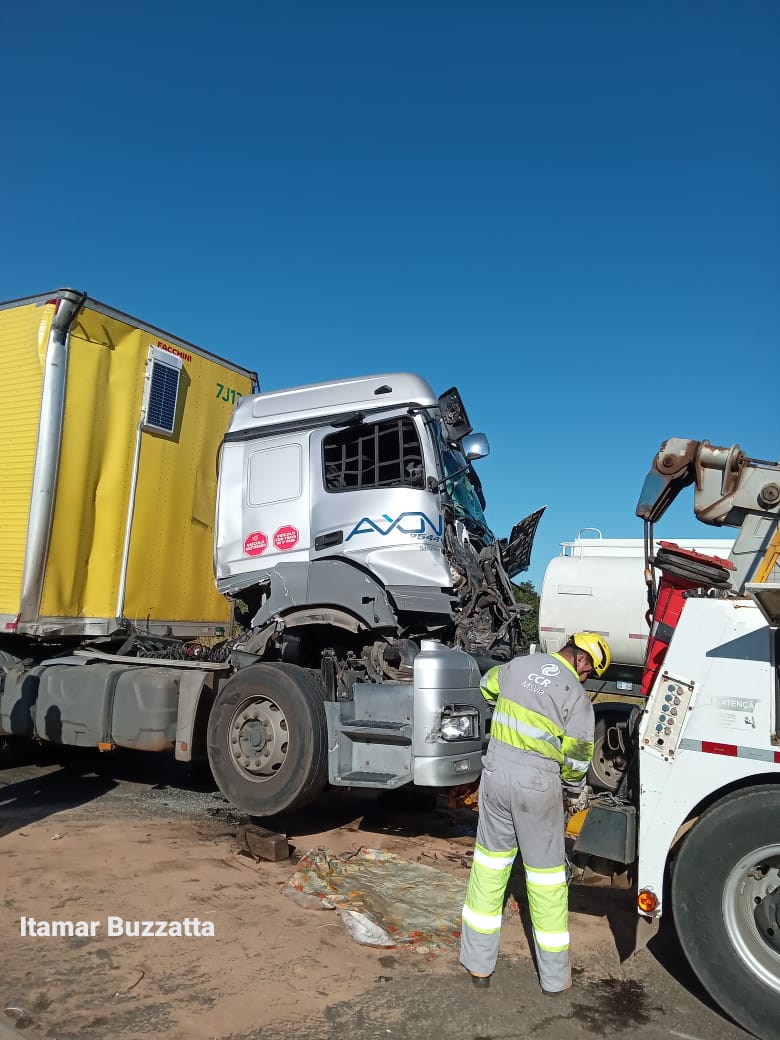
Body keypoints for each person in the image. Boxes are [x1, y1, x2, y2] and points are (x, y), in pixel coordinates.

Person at [459, 631, 611, 995]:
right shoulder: (575, 694)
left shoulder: (517, 666)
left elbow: (486, 687)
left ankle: (478, 966)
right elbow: (576, 757)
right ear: (583, 660)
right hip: (538, 784)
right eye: (589, 672)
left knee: (489, 867)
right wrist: (573, 789)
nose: (586, 679)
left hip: (494, 776)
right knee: (546, 880)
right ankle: (554, 979)